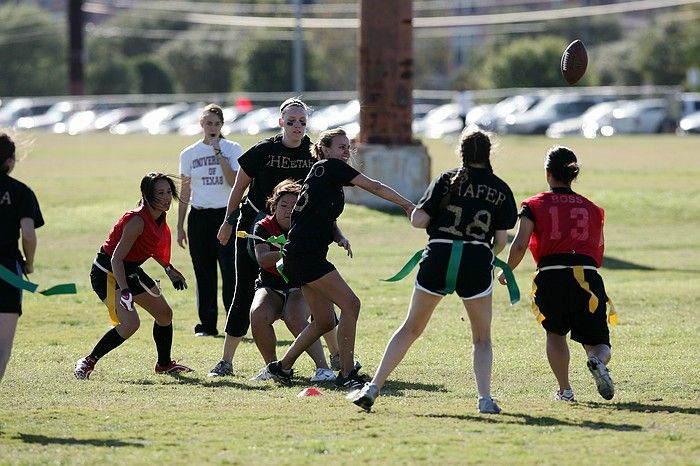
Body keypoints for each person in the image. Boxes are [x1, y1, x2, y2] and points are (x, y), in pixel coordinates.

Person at [350, 128, 517, 414]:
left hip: (438, 256)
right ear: (489, 152)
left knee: (411, 328)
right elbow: (501, 241)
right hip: (476, 260)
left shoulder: (447, 179)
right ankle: (485, 400)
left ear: (461, 152)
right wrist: (483, 257)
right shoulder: (500, 188)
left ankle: (374, 387)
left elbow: (419, 221)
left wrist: (411, 209)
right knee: (481, 338)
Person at [266, 128, 415, 389]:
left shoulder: (320, 173)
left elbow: (318, 215)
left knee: (324, 321)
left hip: (299, 255)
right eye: (340, 147)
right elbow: (374, 186)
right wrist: (408, 205)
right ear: (324, 149)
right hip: (306, 255)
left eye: (348, 147)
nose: (346, 152)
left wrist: (337, 235)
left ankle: (282, 367)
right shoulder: (330, 167)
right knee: (351, 304)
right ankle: (346, 374)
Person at [209, 98, 338, 377]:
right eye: (291, 121)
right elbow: (238, 188)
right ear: (281, 122)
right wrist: (228, 222)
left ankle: (336, 356)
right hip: (257, 224)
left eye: (302, 122)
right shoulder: (264, 150)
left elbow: (323, 195)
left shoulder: (314, 152)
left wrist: (331, 228)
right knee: (243, 288)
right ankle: (226, 361)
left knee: (316, 288)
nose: (297, 126)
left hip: (299, 230)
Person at [497, 145, 615, 402]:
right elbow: (598, 247)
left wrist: (507, 270)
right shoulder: (592, 208)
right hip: (586, 277)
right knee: (599, 341)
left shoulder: (534, 204)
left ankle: (565, 390)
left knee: (555, 334)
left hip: (551, 277)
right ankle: (597, 361)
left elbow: (519, 244)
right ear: (573, 174)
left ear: (548, 173)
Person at [74, 172, 193, 379]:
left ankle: (164, 364)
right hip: (108, 273)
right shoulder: (137, 220)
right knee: (130, 324)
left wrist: (168, 269)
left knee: (164, 314)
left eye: (168, 192)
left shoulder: (157, 216)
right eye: (160, 193)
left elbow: (150, 246)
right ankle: (88, 360)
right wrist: (126, 291)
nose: (166, 198)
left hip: (129, 269)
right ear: (147, 196)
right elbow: (116, 259)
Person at [248, 179, 335, 382]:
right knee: (258, 314)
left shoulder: (306, 225)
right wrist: (289, 251)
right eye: (283, 206)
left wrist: (339, 237)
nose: (287, 211)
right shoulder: (263, 227)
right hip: (270, 285)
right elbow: (262, 259)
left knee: (294, 317)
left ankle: (323, 369)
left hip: (301, 285)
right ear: (273, 206)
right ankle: (274, 369)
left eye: (293, 206)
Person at [177, 104, 241, 337]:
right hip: (199, 216)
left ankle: (233, 323)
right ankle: (207, 325)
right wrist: (180, 226)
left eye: (216, 123)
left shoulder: (232, 149)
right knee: (203, 272)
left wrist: (218, 153)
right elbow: (185, 192)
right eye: (208, 123)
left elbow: (234, 181)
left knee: (229, 271)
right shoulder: (189, 153)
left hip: (225, 215)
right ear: (201, 124)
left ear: (222, 125)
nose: (212, 127)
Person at [0, 133, 44, 383]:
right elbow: (28, 235)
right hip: (7, 271)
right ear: (9, 161)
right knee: (2, 347)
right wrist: (29, 263)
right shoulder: (21, 192)